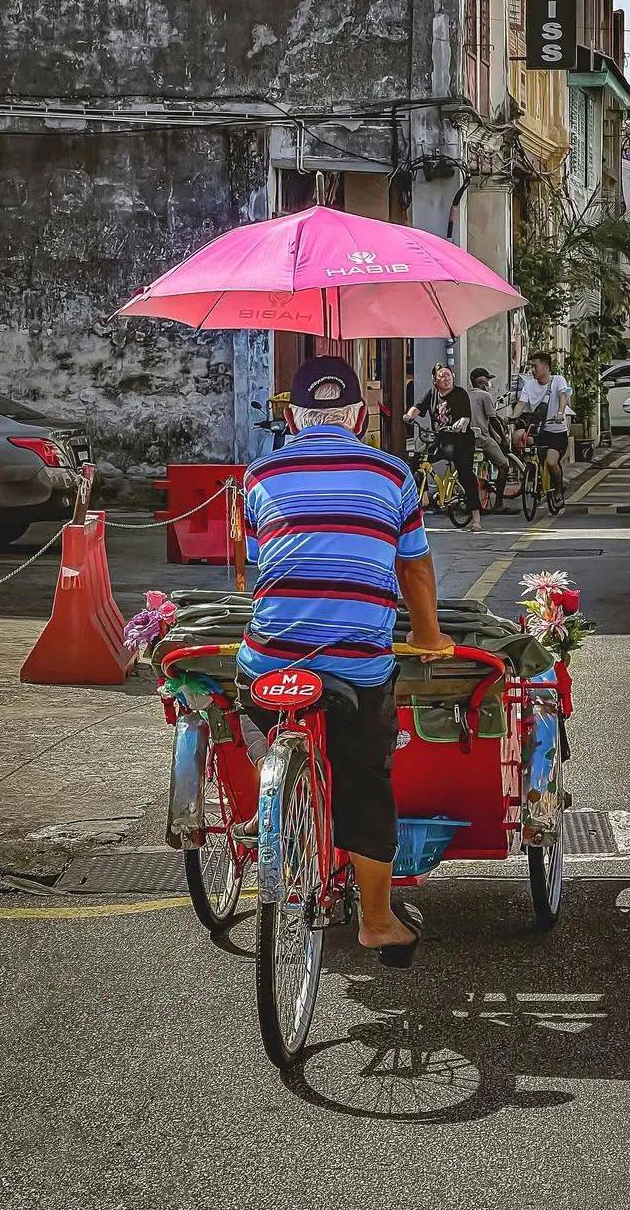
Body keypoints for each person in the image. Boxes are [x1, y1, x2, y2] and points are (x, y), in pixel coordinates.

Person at [236, 356, 453, 968]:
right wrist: (431, 638)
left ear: (292, 417)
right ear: (360, 416)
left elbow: (263, 563)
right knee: (365, 777)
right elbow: (412, 568)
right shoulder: (392, 474)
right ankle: (378, 922)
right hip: (357, 665)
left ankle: (274, 786)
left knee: (248, 692)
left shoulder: (260, 474)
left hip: (270, 659)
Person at [404, 363, 482, 532]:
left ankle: (476, 517)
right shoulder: (432, 394)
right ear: (434, 380)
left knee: (466, 474)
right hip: (440, 438)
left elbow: (465, 416)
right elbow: (418, 406)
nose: (446, 379)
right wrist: (409, 415)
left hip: (461, 439)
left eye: (448, 375)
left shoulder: (460, 393)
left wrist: (462, 422)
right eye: (441, 376)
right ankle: (424, 498)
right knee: (418, 459)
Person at [512, 351, 572, 495]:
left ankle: (558, 489)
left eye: (535, 366)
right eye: (531, 366)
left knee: (552, 462)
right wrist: (512, 417)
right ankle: (530, 473)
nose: (533, 370)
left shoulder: (558, 380)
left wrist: (560, 414)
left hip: (557, 433)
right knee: (518, 436)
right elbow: (521, 403)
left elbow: (562, 397)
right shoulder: (529, 385)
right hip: (540, 431)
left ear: (546, 367)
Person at [468, 367, 519, 513]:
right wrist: (503, 439)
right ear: (480, 381)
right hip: (481, 439)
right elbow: (493, 421)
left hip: (465, 438)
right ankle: (498, 503)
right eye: (487, 379)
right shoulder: (485, 396)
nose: (489, 382)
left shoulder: (464, 394)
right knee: (504, 465)